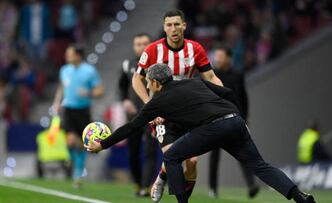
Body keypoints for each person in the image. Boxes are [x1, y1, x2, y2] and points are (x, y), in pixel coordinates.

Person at [85, 63, 316, 203]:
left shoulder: (159, 101)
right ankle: (298, 196)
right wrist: (240, 118)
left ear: (156, 82)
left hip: (215, 127)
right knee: (260, 166)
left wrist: (103, 144)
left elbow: (131, 126)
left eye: (148, 83)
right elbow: (228, 92)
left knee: (172, 156)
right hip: (234, 122)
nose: (146, 87)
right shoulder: (195, 82)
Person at [131, 9, 223, 202]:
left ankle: (162, 175)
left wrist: (224, 101)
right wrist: (149, 105)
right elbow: (136, 80)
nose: (173, 29)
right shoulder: (153, 50)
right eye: (169, 25)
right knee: (175, 156)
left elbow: (210, 76)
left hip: (188, 111)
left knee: (192, 162)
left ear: (184, 26)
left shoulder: (195, 49)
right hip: (162, 113)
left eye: (176, 24)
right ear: (164, 27)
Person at [209, 46, 259, 198]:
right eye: (216, 56)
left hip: (234, 119)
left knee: (242, 152)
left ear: (229, 58)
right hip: (216, 120)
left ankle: (251, 185)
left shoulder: (238, 75)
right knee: (214, 156)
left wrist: (245, 118)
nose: (217, 59)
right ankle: (213, 189)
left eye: (220, 56)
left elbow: (243, 98)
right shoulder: (212, 74)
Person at [52, 44, 104, 188]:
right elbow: (61, 87)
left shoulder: (89, 70)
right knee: (70, 141)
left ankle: (77, 175)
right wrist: (57, 102)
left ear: (78, 55)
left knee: (81, 145)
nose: (66, 56)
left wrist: (88, 93)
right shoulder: (64, 70)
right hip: (68, 109)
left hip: (83, 111)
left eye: (69, 54)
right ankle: (71, 161)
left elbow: (100, 90)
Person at [118, 33, 158, 196]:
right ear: (134, 46)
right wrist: (125, 100)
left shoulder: (158, 64)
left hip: (152, 114)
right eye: (138, 44)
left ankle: (146, 187)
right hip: (133, 115)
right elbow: (122, 86)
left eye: (145, 44)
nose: (142, 47)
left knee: (150, 150)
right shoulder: (127, 64)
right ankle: (137, 183)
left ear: (151, 45)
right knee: (133, 151)